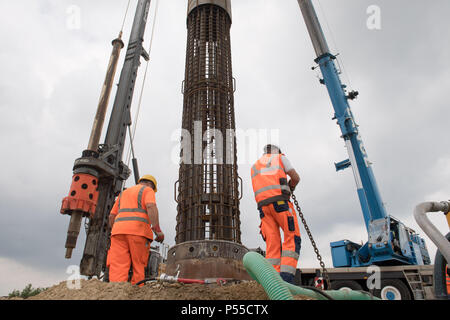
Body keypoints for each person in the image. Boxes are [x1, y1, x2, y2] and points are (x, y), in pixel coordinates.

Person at [251, 144, 302, 284]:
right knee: (292, 238)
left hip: (263, 210)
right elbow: (296, 177)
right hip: (280, 204)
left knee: (272, 246)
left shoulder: (255, 166)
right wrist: (290, 187)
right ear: (276, 151)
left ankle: (272, 283)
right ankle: (285, 282)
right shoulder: (280, 158)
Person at [107, 174, 164, 285]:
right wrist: (157, 231)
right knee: (139, 265)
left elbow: (111, 216)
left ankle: (116, 292)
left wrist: (115, 230)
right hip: (138, 233)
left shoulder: (123, 193)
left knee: (118, 266)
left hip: (118, 233)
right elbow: (151, 206)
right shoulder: (147, 190)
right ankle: (137, 292)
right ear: (151, 185)